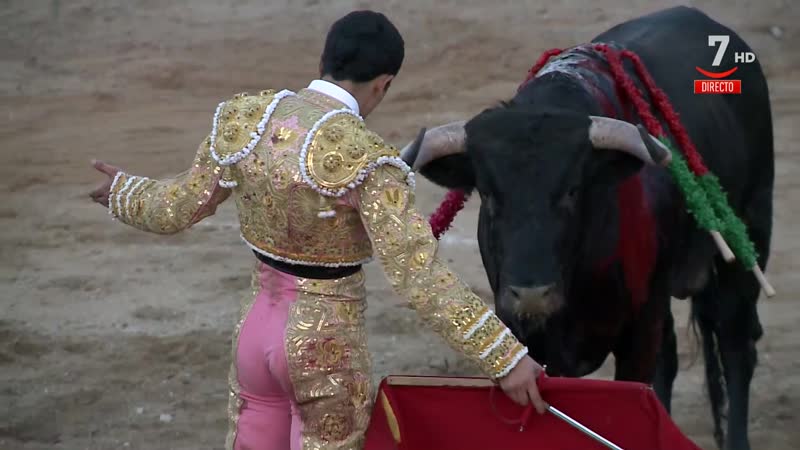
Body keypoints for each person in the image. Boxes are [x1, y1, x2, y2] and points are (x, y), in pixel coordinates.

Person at [89, 10, 547, 450]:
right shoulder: (370, 160)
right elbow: (419, 278)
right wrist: (503, 357)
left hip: (254, 334)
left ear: (323, 62)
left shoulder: (244, 118)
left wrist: (124, 191)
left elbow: (177, 207)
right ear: (383, 84)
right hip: (323, 345)